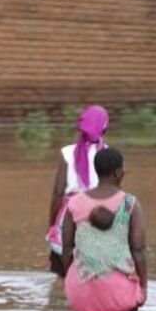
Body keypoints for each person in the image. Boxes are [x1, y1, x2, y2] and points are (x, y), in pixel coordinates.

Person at [61, 147, 147, 311]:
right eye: (123, 169)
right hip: (118, 298)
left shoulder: (75, 202)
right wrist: (144, 288)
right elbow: (138, 251)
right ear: (118, 172)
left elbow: (66, 248)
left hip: (81, 296)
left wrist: (72, 281)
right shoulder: (128, 204)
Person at [47, 105, 110, 277]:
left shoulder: (67, 153)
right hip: (97, 216)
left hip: (68, 215)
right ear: (105, 127)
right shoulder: (109, 154)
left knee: (63, 272)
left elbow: (58, 193)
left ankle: (59, 300)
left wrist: (52, 223)